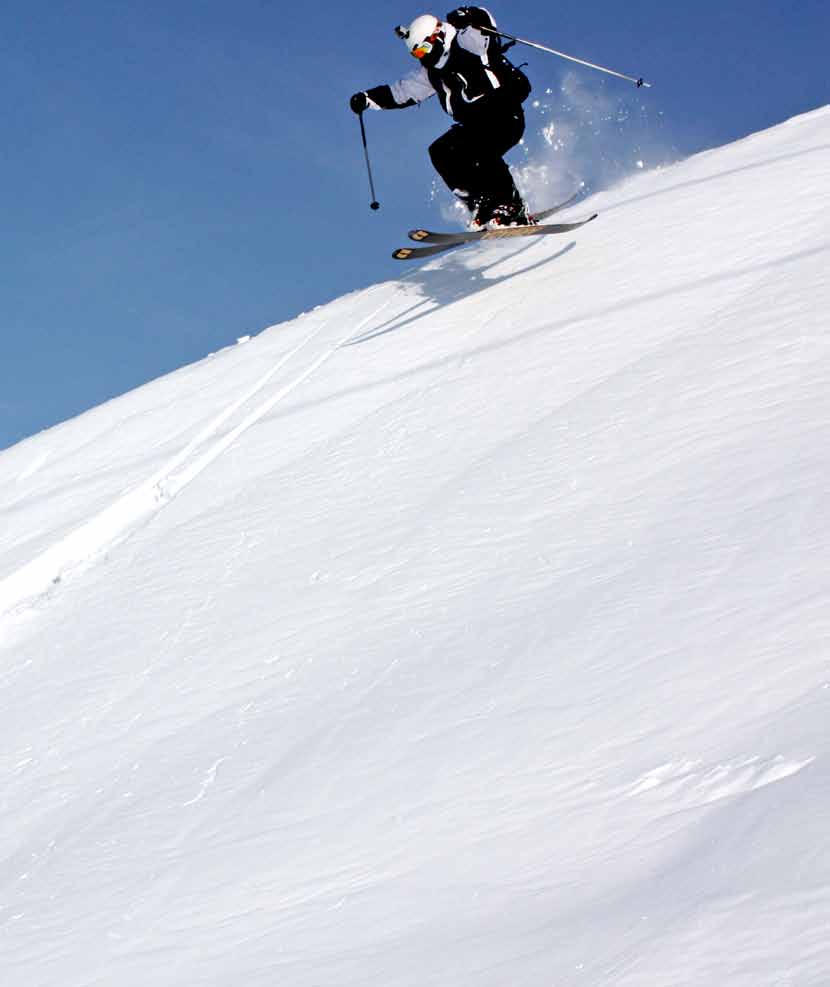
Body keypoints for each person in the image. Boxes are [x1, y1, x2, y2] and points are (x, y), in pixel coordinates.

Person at [350, 7, 533, 229]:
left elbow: (485, 27)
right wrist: (368, 98)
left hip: (503, 113)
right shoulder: (431, 72)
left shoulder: (465, 43)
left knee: (480, 151)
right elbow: (401, 92)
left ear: (436, 37)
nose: (423, 56)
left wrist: (468, 15)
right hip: (474, 124)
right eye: (417, 54)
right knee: (441, 151)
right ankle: (480, 202)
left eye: (424, 49)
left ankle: (510, 205)